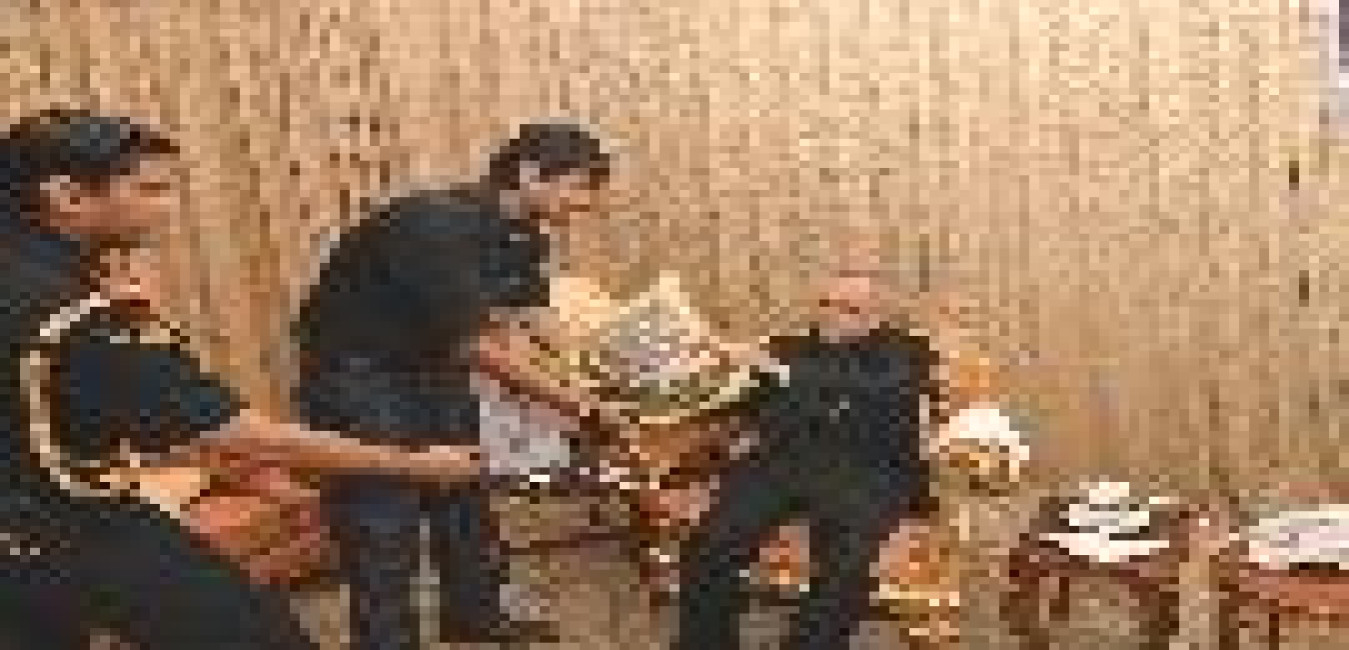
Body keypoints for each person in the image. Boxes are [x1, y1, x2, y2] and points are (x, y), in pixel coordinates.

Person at [0, 108, 482, 650]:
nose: (165, 209)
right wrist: (414, 464)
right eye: (148, 190)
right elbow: (231, 432)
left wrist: (254, 478)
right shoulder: (79, 316)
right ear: (66, 195)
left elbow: (95, 413)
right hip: (65, 523)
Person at [291, 121, 614, 648]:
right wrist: (579, 404)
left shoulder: (526, 235)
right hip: (357, 370)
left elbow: (531, 318)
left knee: (464, 491)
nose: (587, 203)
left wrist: (593, 372)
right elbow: (476, 347)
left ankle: (474, 617)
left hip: (430, 363)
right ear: (530, 174)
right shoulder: (433, 225)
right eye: (579, 187)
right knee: (383, 513)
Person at [671, 269, 945, 650]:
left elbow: (870, 383)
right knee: (711, 542)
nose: (833, 316)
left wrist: (777, 369)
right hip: (781, 461)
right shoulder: (787, 347)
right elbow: (739, 403)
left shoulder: (908, 354)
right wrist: (700, 379)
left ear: (878, 316)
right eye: (826, 305)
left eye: (849, 309)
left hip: (867, 469)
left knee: (846, 562)